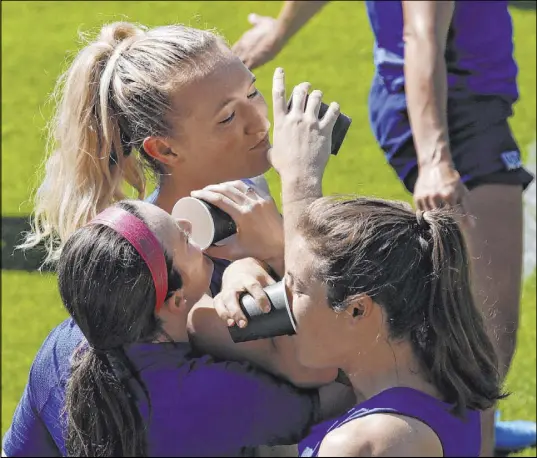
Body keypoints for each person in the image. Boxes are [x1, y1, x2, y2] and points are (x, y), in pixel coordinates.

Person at [232, 1, 536, 454]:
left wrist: (280, 29)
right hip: (455, 106)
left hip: (461, 102)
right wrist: (434, 158)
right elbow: (421, 33)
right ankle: (465, 434)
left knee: (460, 326)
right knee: (484, 334)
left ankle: (457, 427)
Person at [260, 67, 503, 457]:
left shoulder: (364, 443)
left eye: (297, 289)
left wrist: (301, 179)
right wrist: (299, 175)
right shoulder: (449, 381)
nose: (280, 297)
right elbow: (321, 265)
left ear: (358, 309)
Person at [3, 199, 355, 457]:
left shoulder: (60, 347)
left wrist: (239, 270)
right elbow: (337, 394)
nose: (187, 227)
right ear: (174, 301)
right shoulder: (206, 394)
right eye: (183, 239)